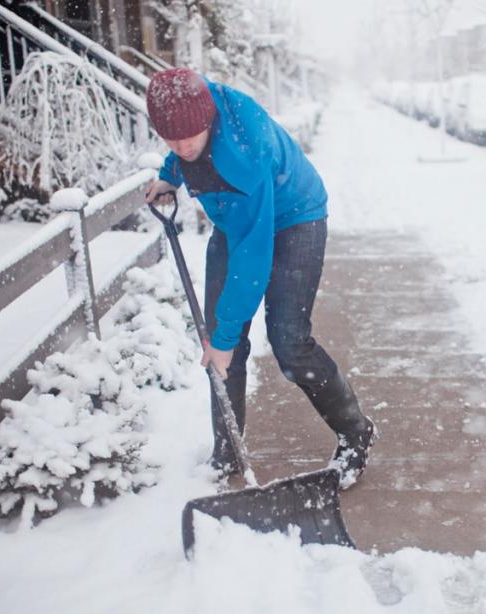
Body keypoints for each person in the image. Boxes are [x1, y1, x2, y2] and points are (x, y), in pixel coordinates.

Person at [144, 68, 376, 489]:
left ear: (208, 119)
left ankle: (356, 433)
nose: (181, 146)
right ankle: (227, 451)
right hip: (238, 219)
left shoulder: (244, 153)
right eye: (169, 140)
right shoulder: (187, 105)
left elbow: (253, 257)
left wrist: (227, 337)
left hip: (295, 216)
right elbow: (182, 147)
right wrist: (170, 172)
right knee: (217, 342)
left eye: (190, 137)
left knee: (288, 341)